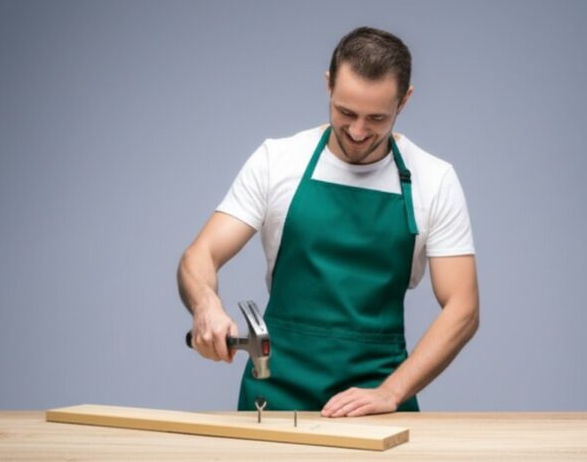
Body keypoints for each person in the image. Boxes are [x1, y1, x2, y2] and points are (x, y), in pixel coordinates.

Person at [177, 26, 479, 417]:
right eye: (346, 112)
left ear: (404, 101)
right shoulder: (277, 161)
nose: (357, 131)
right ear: (328, 86)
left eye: (376, 118)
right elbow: (200, 254)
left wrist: (392, 392)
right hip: (275, 392)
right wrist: (206, 304)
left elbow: (463, 307)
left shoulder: (434, 180)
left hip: (376, 396)